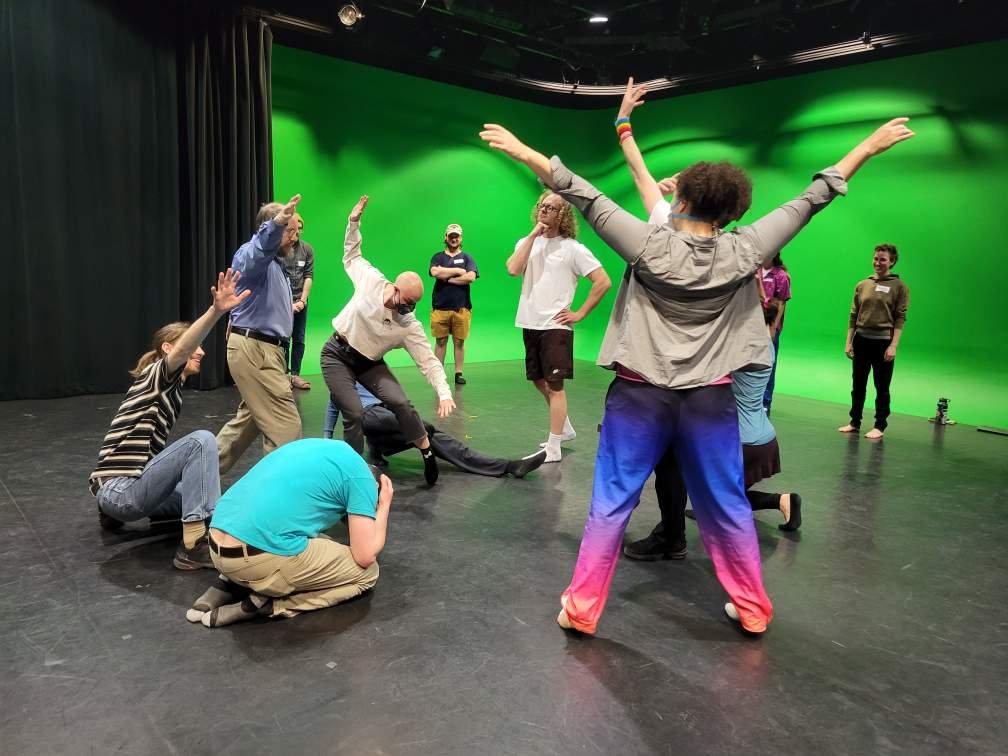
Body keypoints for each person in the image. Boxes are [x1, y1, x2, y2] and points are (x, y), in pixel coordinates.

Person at [480, 76, 913, 636]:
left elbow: (580, 191)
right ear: (732, 210)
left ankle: (583, 608)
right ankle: (753, 608)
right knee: (726, 502)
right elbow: (813, 197)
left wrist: (524, 152)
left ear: (680, 200)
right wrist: (867, 148)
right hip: (710, 400)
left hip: (639, 395)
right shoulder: (748, 247)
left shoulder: (644, 241)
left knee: (612, 501)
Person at [89, 270, 250, 570]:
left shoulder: (170, 392)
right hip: (121, 492)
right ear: (168, 349)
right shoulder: (156, 377)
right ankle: (193, 546)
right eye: (194, 347)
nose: (201, 352)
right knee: (202, 441)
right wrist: (216, 310)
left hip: (122, 492)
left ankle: (111, 514)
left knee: (208, 497)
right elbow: (186, 347)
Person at [624, 300, 802, 562]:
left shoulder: (740, 348)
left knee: (674, 467)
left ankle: (670, 538)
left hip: (737, 442)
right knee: (718, 500)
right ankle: (782, 500)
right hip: (762, 440)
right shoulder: (765, 345)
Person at [320, 195, 455, 486]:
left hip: (369, 362)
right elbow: (352, 255)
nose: (407, 308)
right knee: (355, 413)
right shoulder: (372, 281)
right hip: (337, 354)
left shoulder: (409, 325)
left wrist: (444, 392)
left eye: (413, 304)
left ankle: (427, 452)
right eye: (405, 301)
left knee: (401, 403)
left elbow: (428, 362)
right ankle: (352, 475)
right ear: (394, 289)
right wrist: (353, 222)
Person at [188, 439, 392, 627]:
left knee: (319, 540)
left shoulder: (324, 449)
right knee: (368, 572)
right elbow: (365, 556)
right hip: (253, 560)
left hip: (216, 541)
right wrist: (383, 507)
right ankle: (271, 605)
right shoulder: (363, 480)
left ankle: (226, 585)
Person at [506, 191, 612, 462]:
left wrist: (579, 314)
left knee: (555, 386)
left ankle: (554, 447)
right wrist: (532, 236)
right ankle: (564, 428)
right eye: (542, 206)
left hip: (555, 326)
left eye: (551, 208)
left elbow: (602, 281)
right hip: (530, 322)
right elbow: (513, 269)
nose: (544, 210)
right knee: (538, 381)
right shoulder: (527, 243)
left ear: (562, 214)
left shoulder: (573, 248)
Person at [216, 195, 304, 475]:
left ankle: (189, 481)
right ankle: (276, 504)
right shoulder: (252, 255)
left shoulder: (275, 265)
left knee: (248, 422)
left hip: (264, 351)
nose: (295, 237)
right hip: (257, 350)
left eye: (297, 230)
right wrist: (277, 224)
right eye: (290, 230)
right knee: (286, 429)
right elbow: (259, 249)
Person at [350, 383, 548, 478]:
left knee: (435, 437)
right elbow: (335, 411)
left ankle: (508, 466)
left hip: (386, 427)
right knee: (422, 429)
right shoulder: (341, 375)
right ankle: (379, 449)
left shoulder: (373, 370)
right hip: (371, 420)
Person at [838, 243, 909, 440]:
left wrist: (893, 345)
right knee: (858, 384)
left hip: (883, 343)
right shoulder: (863, 285)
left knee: (882, 386)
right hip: (861, 340)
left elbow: (900, 318)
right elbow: (853, 315)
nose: (878, 262)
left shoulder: (900, 287)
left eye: (883, 259)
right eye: (876, 258)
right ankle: (854, 422)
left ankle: (880, 425)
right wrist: (849, 342)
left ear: (892, 262)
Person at [430, 223, 478, 386]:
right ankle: (439, 374)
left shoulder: (467, 257)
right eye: (451, 236)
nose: (454, 239)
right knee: (441, 341)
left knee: (459, 341)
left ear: (461, 238)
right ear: (446, 237)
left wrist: (447, 278)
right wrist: (458, 271)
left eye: (456, 236)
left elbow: (471, 277)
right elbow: (435, 272)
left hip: (461, 307)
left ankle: (458, 373)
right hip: (440, 307)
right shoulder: (437, 257)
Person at [282, 211, 315, 390]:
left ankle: (295, 374)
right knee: (283, 339)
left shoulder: (307, 249)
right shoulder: (280, 250)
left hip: (301, 302)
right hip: (284, 303)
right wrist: (288, 304)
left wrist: (302, 300)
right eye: (294, 229)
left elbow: (308, 276)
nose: (297, 233)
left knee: (299, 339)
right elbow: (278, 278)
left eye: (300, 229)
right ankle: (283, 375)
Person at [759, 254, 791, 413]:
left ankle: (765, 401)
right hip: (752, 326)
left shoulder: (781, 276)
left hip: (769, 327)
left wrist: (772, 328)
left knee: (769, 363)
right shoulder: (755, 272)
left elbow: (781, 303)